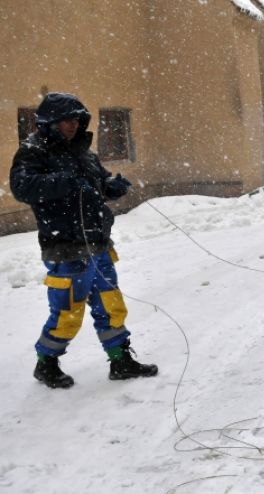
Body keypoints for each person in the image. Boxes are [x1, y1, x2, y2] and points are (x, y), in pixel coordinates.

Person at [10, 92, 158, 389]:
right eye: (66, 120)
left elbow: (95, 184)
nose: (73, 125)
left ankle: (120, 360)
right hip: (64, 246)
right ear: (49, 121)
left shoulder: (84, 152)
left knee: (111, 303)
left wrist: (110, 187)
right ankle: (46, 364)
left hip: (97, 242)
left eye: (77, 119)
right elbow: (22, 187)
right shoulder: (33, 151)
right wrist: (65, 181)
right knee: (68, 312)